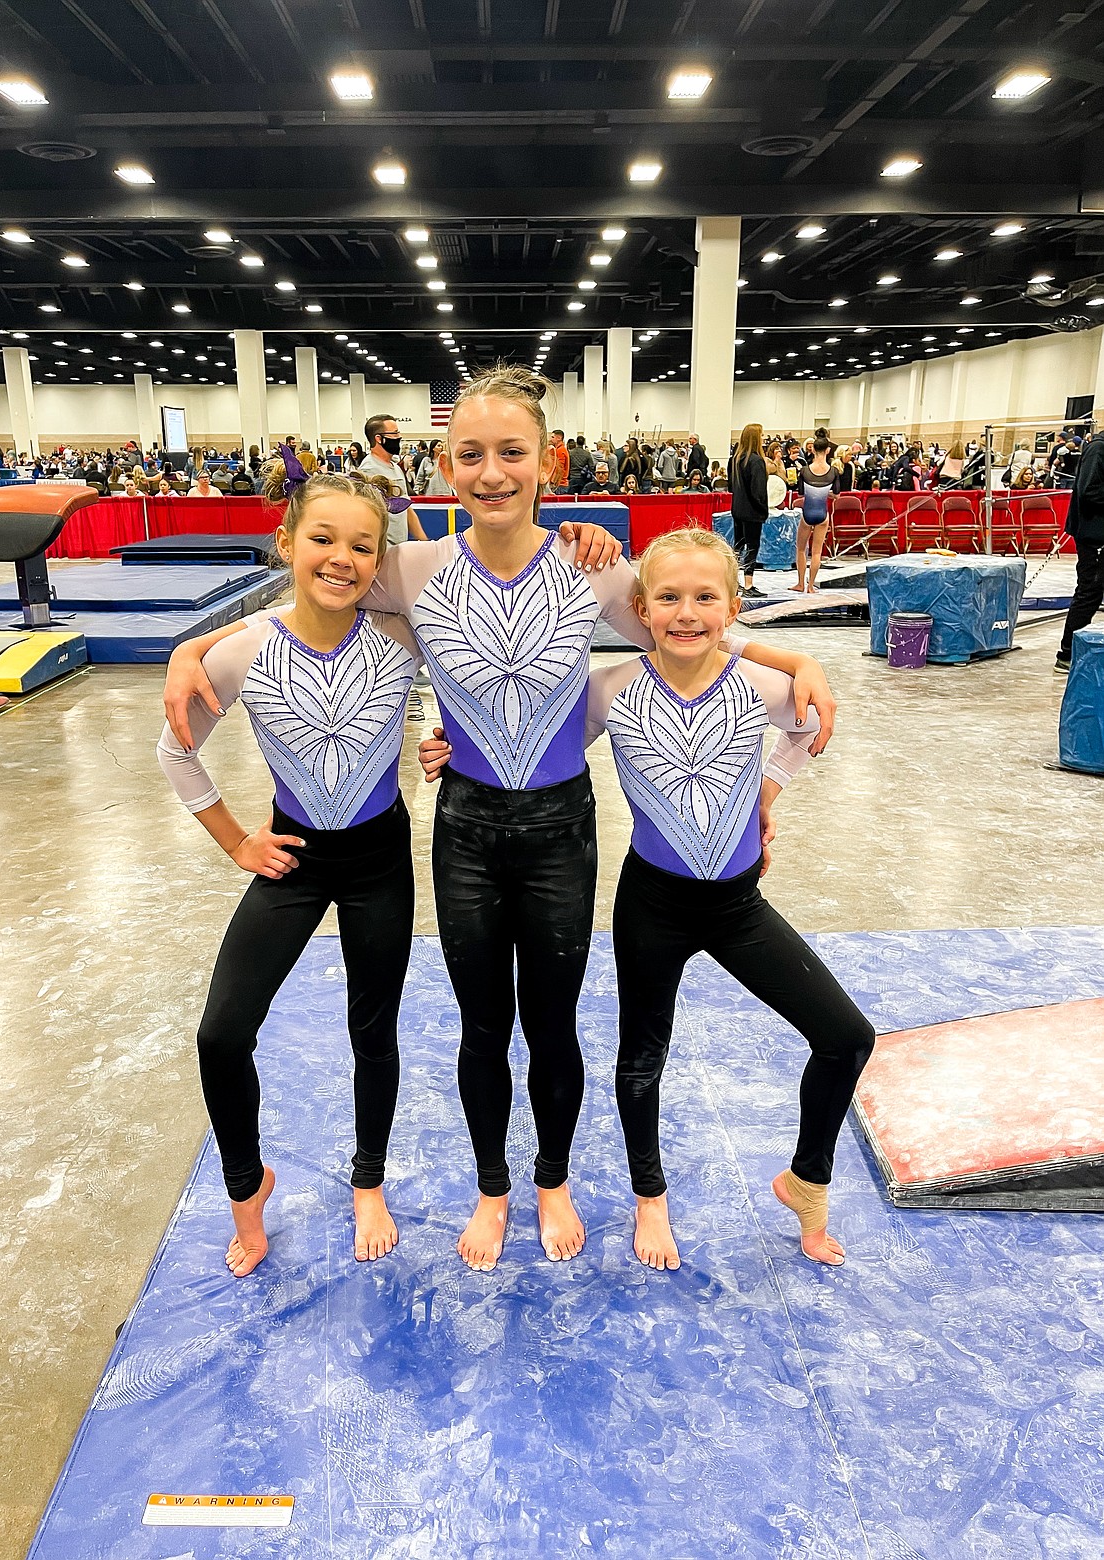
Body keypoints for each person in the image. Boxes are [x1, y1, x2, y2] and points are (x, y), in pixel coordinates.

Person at [167, 366, 838, 1276]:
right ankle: (494, 1188)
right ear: (444, 465)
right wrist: (194, 645)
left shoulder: (592, 570)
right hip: (468, 833)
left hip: (561, 829)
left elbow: (686, 618)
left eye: (512, 452)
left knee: (552, 1026)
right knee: (483, 1029)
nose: (492, 472)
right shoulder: (409, 568)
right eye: (472, 455)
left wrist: (791, 657)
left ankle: (551, 1180)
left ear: (546, 460)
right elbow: (309, 598)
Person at [585, 529, 874, 1269]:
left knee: (846, 1037)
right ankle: (651, 1200)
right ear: (642, 608)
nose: (688, 613)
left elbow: (808, 728)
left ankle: (806, 1184)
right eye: (670, 598)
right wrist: (452, 747)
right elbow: (536, 747)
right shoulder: (610, 691)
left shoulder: (762, 687)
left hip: (737, 906)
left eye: (705, 597)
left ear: (733, 607)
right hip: (652, 902)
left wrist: (767, 789)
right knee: (642, 1058)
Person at [157, 469, 421, 1274]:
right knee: (222, 1033)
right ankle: (248, 1190)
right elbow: (177, 751)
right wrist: (238, 842)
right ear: (286, 542)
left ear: (380, 561)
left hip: (379, 857)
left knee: (371, 1032)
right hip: (296, 857)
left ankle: (366, 1181)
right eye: (323, 539)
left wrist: (446, 739)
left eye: (361, 546)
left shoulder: (402, 640)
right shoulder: (245, 652)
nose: (341, 558)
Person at [1055, 428, 1104, 673]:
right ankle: (1067, 653)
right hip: (1094, 536)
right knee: (1090, 592)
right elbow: (1088, 491)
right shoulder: (1098, 448)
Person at [359, 416, 427, 543]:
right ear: (379, 439)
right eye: (395, 433)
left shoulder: (395, 468)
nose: (399, 437)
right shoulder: (369, 470)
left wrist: (424, 541)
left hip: (399, 545)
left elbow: (406, 508)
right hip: (383, 549)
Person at [729, 422, 768, 598]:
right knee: (753, 546)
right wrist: (763, 509)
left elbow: (731, 487)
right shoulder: (756, 461)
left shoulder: (735, 460)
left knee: (738, 546)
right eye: (762, 435)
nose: (764, 438)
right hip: (752, 512)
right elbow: (758, 491)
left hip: (737, 509)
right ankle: (749, 584)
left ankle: (732, 581)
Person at [794, 438, 836, 593]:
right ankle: (811, 586)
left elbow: (800, 493)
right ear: (828, 450)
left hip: (807, 512)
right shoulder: (833, 471)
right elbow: (837, 495)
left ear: (812, 450)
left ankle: (800, 584)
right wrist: (826, 492)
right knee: (817, 552)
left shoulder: (804, 471)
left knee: (800, 549)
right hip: (822, 513)